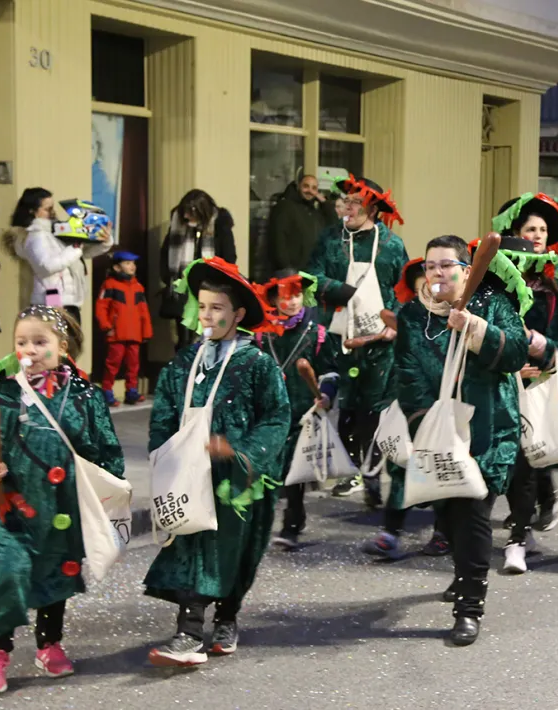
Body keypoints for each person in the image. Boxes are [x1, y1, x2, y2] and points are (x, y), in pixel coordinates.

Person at [0, 306, 124, 696]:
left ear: (62, 347)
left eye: (39, 341)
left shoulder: (85, 395)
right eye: (21, 342)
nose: (29, 350)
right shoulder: (2, 392)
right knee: (8, 570)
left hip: (62, 506)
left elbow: (106, 451)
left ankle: (49, 644)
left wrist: (103, 486)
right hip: (10, 506)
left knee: (56, 572)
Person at [145, 258, 289, 666]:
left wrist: (242, 454)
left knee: (235, 550)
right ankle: (189, 631)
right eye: (203, 306)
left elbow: (277, 417)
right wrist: (163, 456)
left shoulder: (257, 364)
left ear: (238, 314)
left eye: (218, 308)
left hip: (238, 481)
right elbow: (164, 412)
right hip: (191, 476)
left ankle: (227, 617)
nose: (207, 316)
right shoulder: (183, 363)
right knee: (191, 547)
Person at [395, 235, 528, 645]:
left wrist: (475, 328)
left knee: (472, 513)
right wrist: (424, 423)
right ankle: (461, 573)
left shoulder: (492, 303)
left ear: (467, 270)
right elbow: (407, 372)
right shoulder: (413, 315)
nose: (436, 272)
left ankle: (470, 607)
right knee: (449, 515)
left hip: (488, 428)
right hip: (436, 432)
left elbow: (516, 352)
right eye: (430, 265)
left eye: (446, 264)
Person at [487, 194, 558, 573]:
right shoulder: (492, 283)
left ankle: (519, 537)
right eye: (530, 229)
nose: (537, 235)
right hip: (495, 384)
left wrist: (544, 359)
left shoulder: (555, 282)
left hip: (537, 383)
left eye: (541, 230)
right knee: (495, 465)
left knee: (528, 461)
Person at [305, 175, 409, 500]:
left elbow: (404, 290)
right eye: (345, 202)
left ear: (373, 209)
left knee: (375, 407)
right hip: (341, 338)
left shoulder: (391, 245)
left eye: (355, 203)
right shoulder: (330, 239)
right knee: (348, 405)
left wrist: (394, 324)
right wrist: (346, 292)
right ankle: (350, 471)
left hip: (380, 343)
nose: (347, 208)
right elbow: (311, 277)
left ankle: (373, 471)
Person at [361, 258, 451, 559]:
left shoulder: (457, 318)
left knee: (442, 468)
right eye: (420, 289)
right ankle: (390, 533)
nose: (428, 293)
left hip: (445, 407)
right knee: (401, 465)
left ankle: (443, 533)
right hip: (409, 404)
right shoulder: (409, 319)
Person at [255, 269, 340, 550]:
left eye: (296, 295)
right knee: (269, 468)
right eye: (285, 296)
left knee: (293, 468)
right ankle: (267, 520)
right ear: (273, 299)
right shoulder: (262, 334)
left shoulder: (317, 333)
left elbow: (330, 371)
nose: (291, 301)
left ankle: (291, 522)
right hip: (269, 411)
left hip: (302, 411)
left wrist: (325, 394)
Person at [1, 188, 112, 324]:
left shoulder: (55, 232)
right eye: (48, 209)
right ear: (32, 211)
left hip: (67, 302)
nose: (53, 212)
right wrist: (75, 248)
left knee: (70, 338)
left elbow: (82, 254)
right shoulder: (36, 236)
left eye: (53, 207)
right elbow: (47, 266)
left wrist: (103, 240)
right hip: (51, 302)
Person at [159, 190, 238, 348]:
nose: (186, 217)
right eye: (184, 212)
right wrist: (168, 278)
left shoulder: (219, 225)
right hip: (183, 287)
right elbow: (166, 254)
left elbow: (229, 257)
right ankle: (185, 360)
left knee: (207, 333)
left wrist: (220, 282)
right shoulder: (178, 223)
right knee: (183, 335)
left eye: (190, 213)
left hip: (210, 287)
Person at [95, 251, 153, 406]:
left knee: (133, 364)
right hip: (117, 332)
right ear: (117, 267)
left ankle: (131, 391)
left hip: (135, 333)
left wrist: (146, 331)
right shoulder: (110, 285)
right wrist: (106, 326)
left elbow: (144, 311)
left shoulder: (138, 287)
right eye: (127, 263)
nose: (132, 266)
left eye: (133, 263)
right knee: (112, 363)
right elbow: (101, 307)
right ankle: (107, 390)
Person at [266, 173, 331, 273]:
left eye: (314, 188)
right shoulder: (285, 206)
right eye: (306, 186)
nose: (309, 191)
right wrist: (285, 266)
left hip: (310, 270)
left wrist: (324, 202)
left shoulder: (313, 211)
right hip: (290, 271)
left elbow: (333, 223)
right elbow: (278, 238)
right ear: (298, 186)